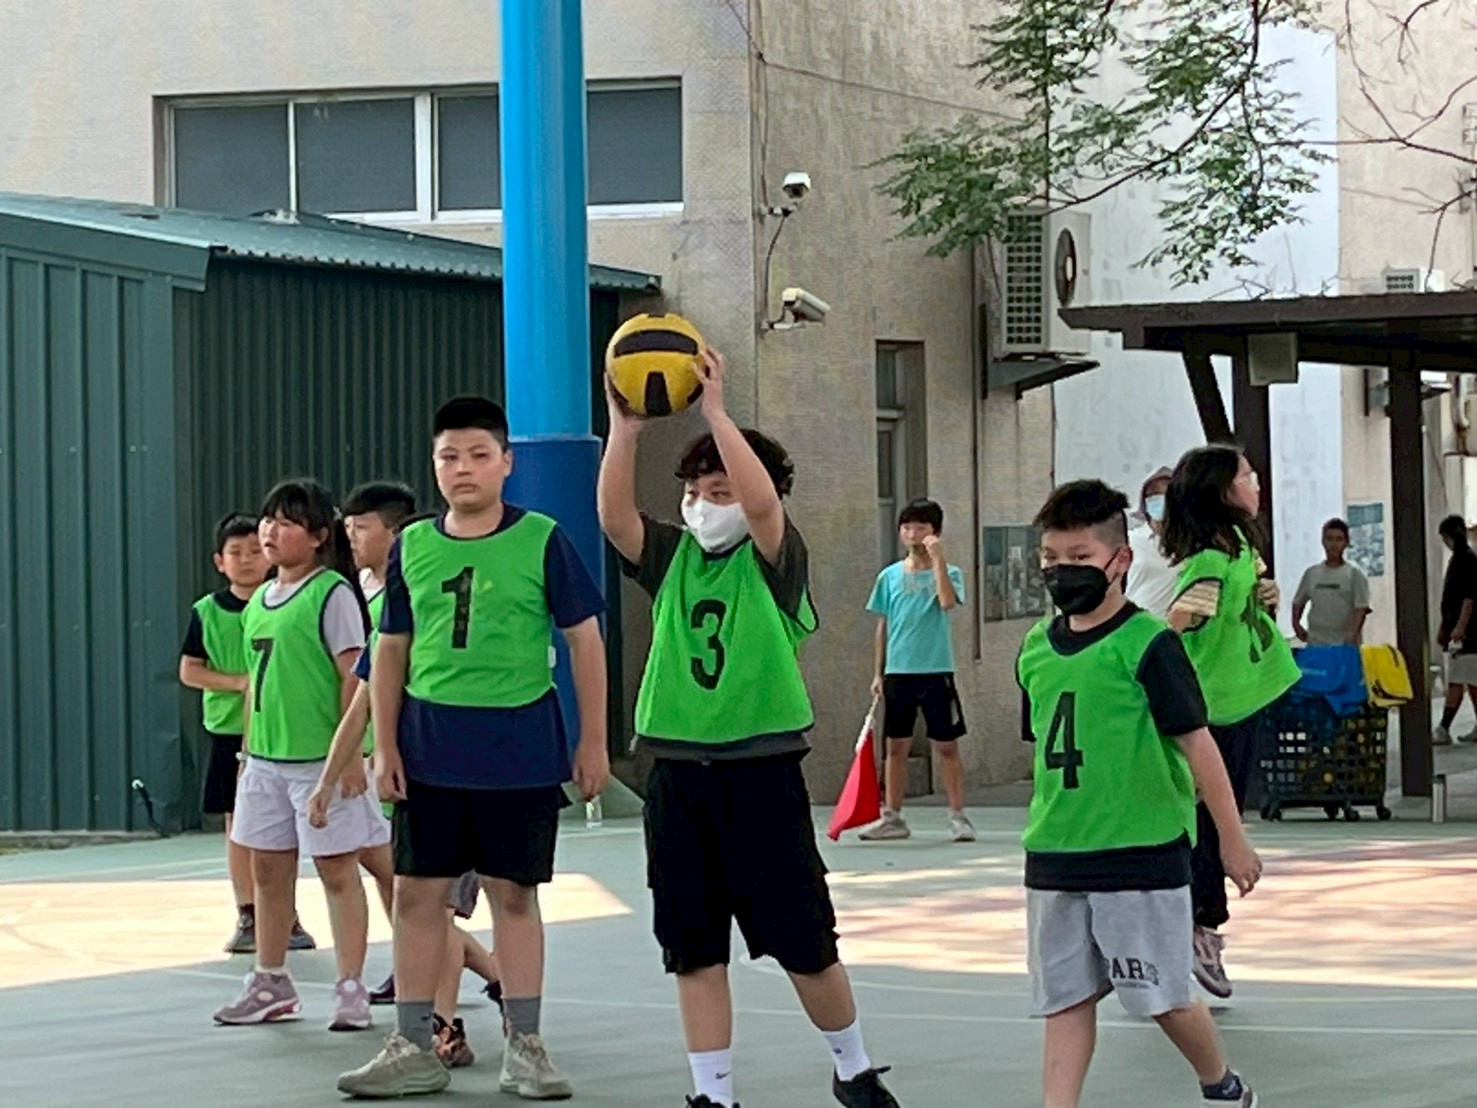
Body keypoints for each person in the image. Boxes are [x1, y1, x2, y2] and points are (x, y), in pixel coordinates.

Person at [598, 348, 902, 1108]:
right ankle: (714, 1093)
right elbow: (614, 519)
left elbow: (763, 507)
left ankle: (854, 1068)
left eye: (719, 490)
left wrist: (715, 413)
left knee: (803, 940)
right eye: (693, 491)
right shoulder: (671, 556)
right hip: (676, 770)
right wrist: (624, 431)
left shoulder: (775, 560)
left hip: (759, 771)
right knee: (693, 946)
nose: (703, 503)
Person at [338, 396, 609, 1100]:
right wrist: (384, 745)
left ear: (506, 463)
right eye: (449, 457)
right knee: (416, 896)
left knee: (513, 895)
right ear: (434, 466)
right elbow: (390, 649)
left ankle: (526, 1046)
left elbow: (584, 640)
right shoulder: (413, 545)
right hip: (430, 746)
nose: (463, 468)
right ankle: (413, 1044)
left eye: (479, 455)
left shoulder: (543, 539)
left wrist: (593, 741)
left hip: (519, 745)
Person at [1019, 478, 1260, 1108]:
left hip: (1139, 854)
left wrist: (1232, 840)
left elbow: (1198, 745)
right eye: (1050, 558)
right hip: (1055, 852)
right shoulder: (1036, 647)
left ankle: (1221, 1083)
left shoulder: (1148, 644)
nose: (1062, 570)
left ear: (1119, 560)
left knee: (1163, 998)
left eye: (1080, 557)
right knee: (1064, 1000)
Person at [212, 479, 391, 1032]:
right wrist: (247, 753)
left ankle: (351, 986)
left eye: (286, 522)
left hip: (319, 761)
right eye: (268, 519)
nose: (270, 530)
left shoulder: (331, 593)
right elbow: (255, 687)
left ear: (317, 537)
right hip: (266, 761)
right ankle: (270, 980)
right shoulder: (260, 600)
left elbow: (355, 677)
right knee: (268, 872)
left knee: (338, 870)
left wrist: (351, 757)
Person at [1161, 445, 1299, 1001]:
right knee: (1207, 822)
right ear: (1222, 491)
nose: (1256, 482)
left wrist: (1268, 596)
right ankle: (1198, 925)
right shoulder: (1210, 565)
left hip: (1241, 700)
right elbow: (1176, 624)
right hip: (1209, 711)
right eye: (1247, 475)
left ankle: (1195, 923)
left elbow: (1254, 598)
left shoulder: (1241, 546)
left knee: (1219, 816)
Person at [179, 511, 318, 954]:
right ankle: (248, 911)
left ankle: (284, 913)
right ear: (219, 561)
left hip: (283, 730)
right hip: (231, 731)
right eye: (235, 552)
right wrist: (238, 682)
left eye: (254, 550)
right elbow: (189, 670)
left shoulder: (291, 600)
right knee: (239, 827)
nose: (246, 559)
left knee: (284, 830)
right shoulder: (207, 612)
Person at [342, 480, 421, 1002]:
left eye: (361, 527)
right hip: (371, 748)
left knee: (409, 881)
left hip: (398, 751)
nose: (350, 537)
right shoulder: (358, 589)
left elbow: (374, 683)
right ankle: (411, 964)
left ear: (394, 533)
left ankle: (480, 971)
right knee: (390, 874)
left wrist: (360, 751)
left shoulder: (407, 590)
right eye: (347, 528)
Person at [858, 497, 973, 843]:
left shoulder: (950, 573)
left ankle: (958, 816)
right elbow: (883, 625)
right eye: (907, 527)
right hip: (899, 672)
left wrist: (937, 560)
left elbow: (947, 602)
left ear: (935, 532)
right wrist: (878, 673)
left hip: (936, 670)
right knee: (895, 746)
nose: (912, 534)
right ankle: (892, 816)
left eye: (920, 527)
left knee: (946, 745)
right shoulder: (889, 576)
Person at [1291, 518, 1372, 647]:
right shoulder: (1312, 574)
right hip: (1316, 644)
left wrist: (1352, 634)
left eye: (1339, 539)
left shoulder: (1354, 575)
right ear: (1323, 541)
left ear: (1346, 543)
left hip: (1344, 646)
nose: (1334, 544)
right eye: (1329, 539)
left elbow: (1360, 609)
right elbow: (1298, 602)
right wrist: (1296, 625)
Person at [1435, 514, 1477, 744]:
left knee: (1460, 679)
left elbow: (1469, 597)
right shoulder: (1459, 559)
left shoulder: (1466, 559)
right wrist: (1445, 627)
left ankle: (1444, 727)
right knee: (1469, 679)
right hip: (1461, 631)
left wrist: (1459, 627)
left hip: (1468, 634)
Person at [1125, 467, 1177, 618]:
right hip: (1131, 621)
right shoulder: (1130, 540)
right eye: (1154, 495)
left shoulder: (1190, 546)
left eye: (1167, 494)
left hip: (1169, 626)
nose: (1161, 500)